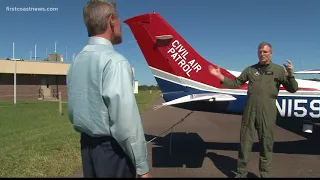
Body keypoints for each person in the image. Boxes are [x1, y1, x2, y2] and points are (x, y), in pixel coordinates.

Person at [66, 0, 151, 178]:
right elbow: (126, 124)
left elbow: (74, 111)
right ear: (111, 20)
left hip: (87, 148)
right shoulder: (115, 61)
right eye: (119, 19)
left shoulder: (76, 62)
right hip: (112, 152)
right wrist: (142, 168)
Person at [208, 42, 298, 178]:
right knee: (245, 144)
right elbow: (235, 83)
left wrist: (290, 74)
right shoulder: (250, 70)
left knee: (266, 144)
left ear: (271, 53)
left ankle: (264, 174)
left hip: (267, 112)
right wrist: (219, 76)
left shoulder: (278, 70)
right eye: (260, 51)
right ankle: (241, 173)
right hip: (250, 111)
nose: (262, 54)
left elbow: (293, 89)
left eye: (265, 52)